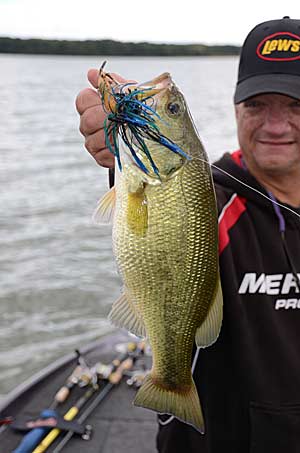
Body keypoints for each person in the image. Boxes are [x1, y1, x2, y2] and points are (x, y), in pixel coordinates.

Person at [76, 16, 300, 453]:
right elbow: (157, 214)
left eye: (296, 104)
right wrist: (123, 145)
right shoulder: (210, 197)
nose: (276, 126)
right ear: (235, 107)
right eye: (258, 105)